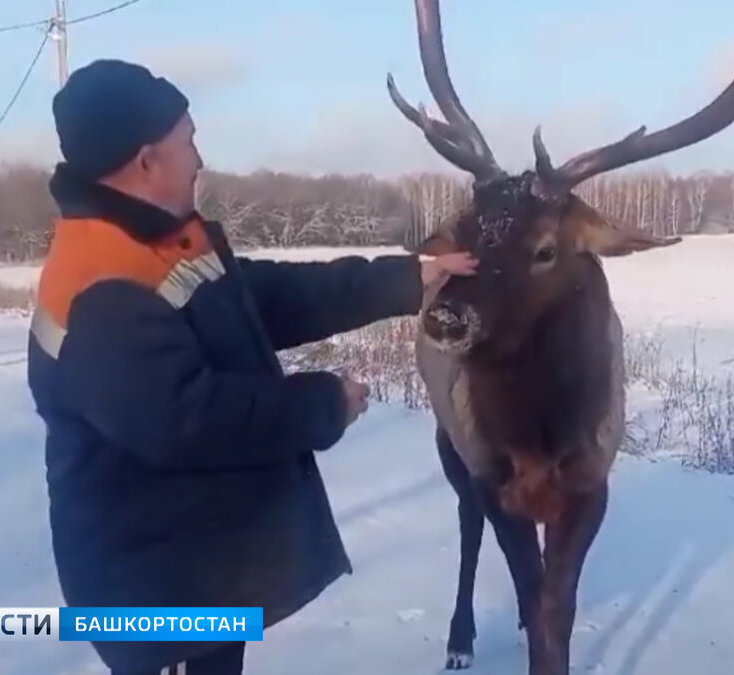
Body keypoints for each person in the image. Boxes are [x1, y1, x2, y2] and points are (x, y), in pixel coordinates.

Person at [25, 58, 477, 675]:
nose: (200, 159)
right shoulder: (103, 283)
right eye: (188, 141)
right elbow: (190, 420)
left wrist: (406, 278)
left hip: (192, 560)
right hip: (158, 590)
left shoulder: (150, 243)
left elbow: (262, 300)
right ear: (146, 161)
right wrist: (324, 405)